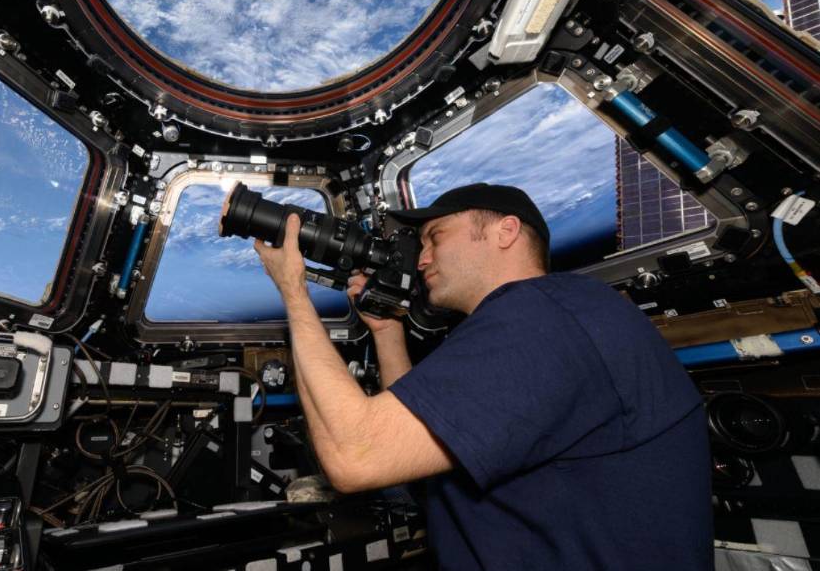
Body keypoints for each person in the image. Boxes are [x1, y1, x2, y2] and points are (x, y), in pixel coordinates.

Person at [253, 182, 713, 570]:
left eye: (436, 236)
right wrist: (388, 332)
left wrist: (293, 292)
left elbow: (355, 457)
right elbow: (411, 457)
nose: (421, 259)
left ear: (505, 231)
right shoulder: (559, 314)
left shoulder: (540, 317)